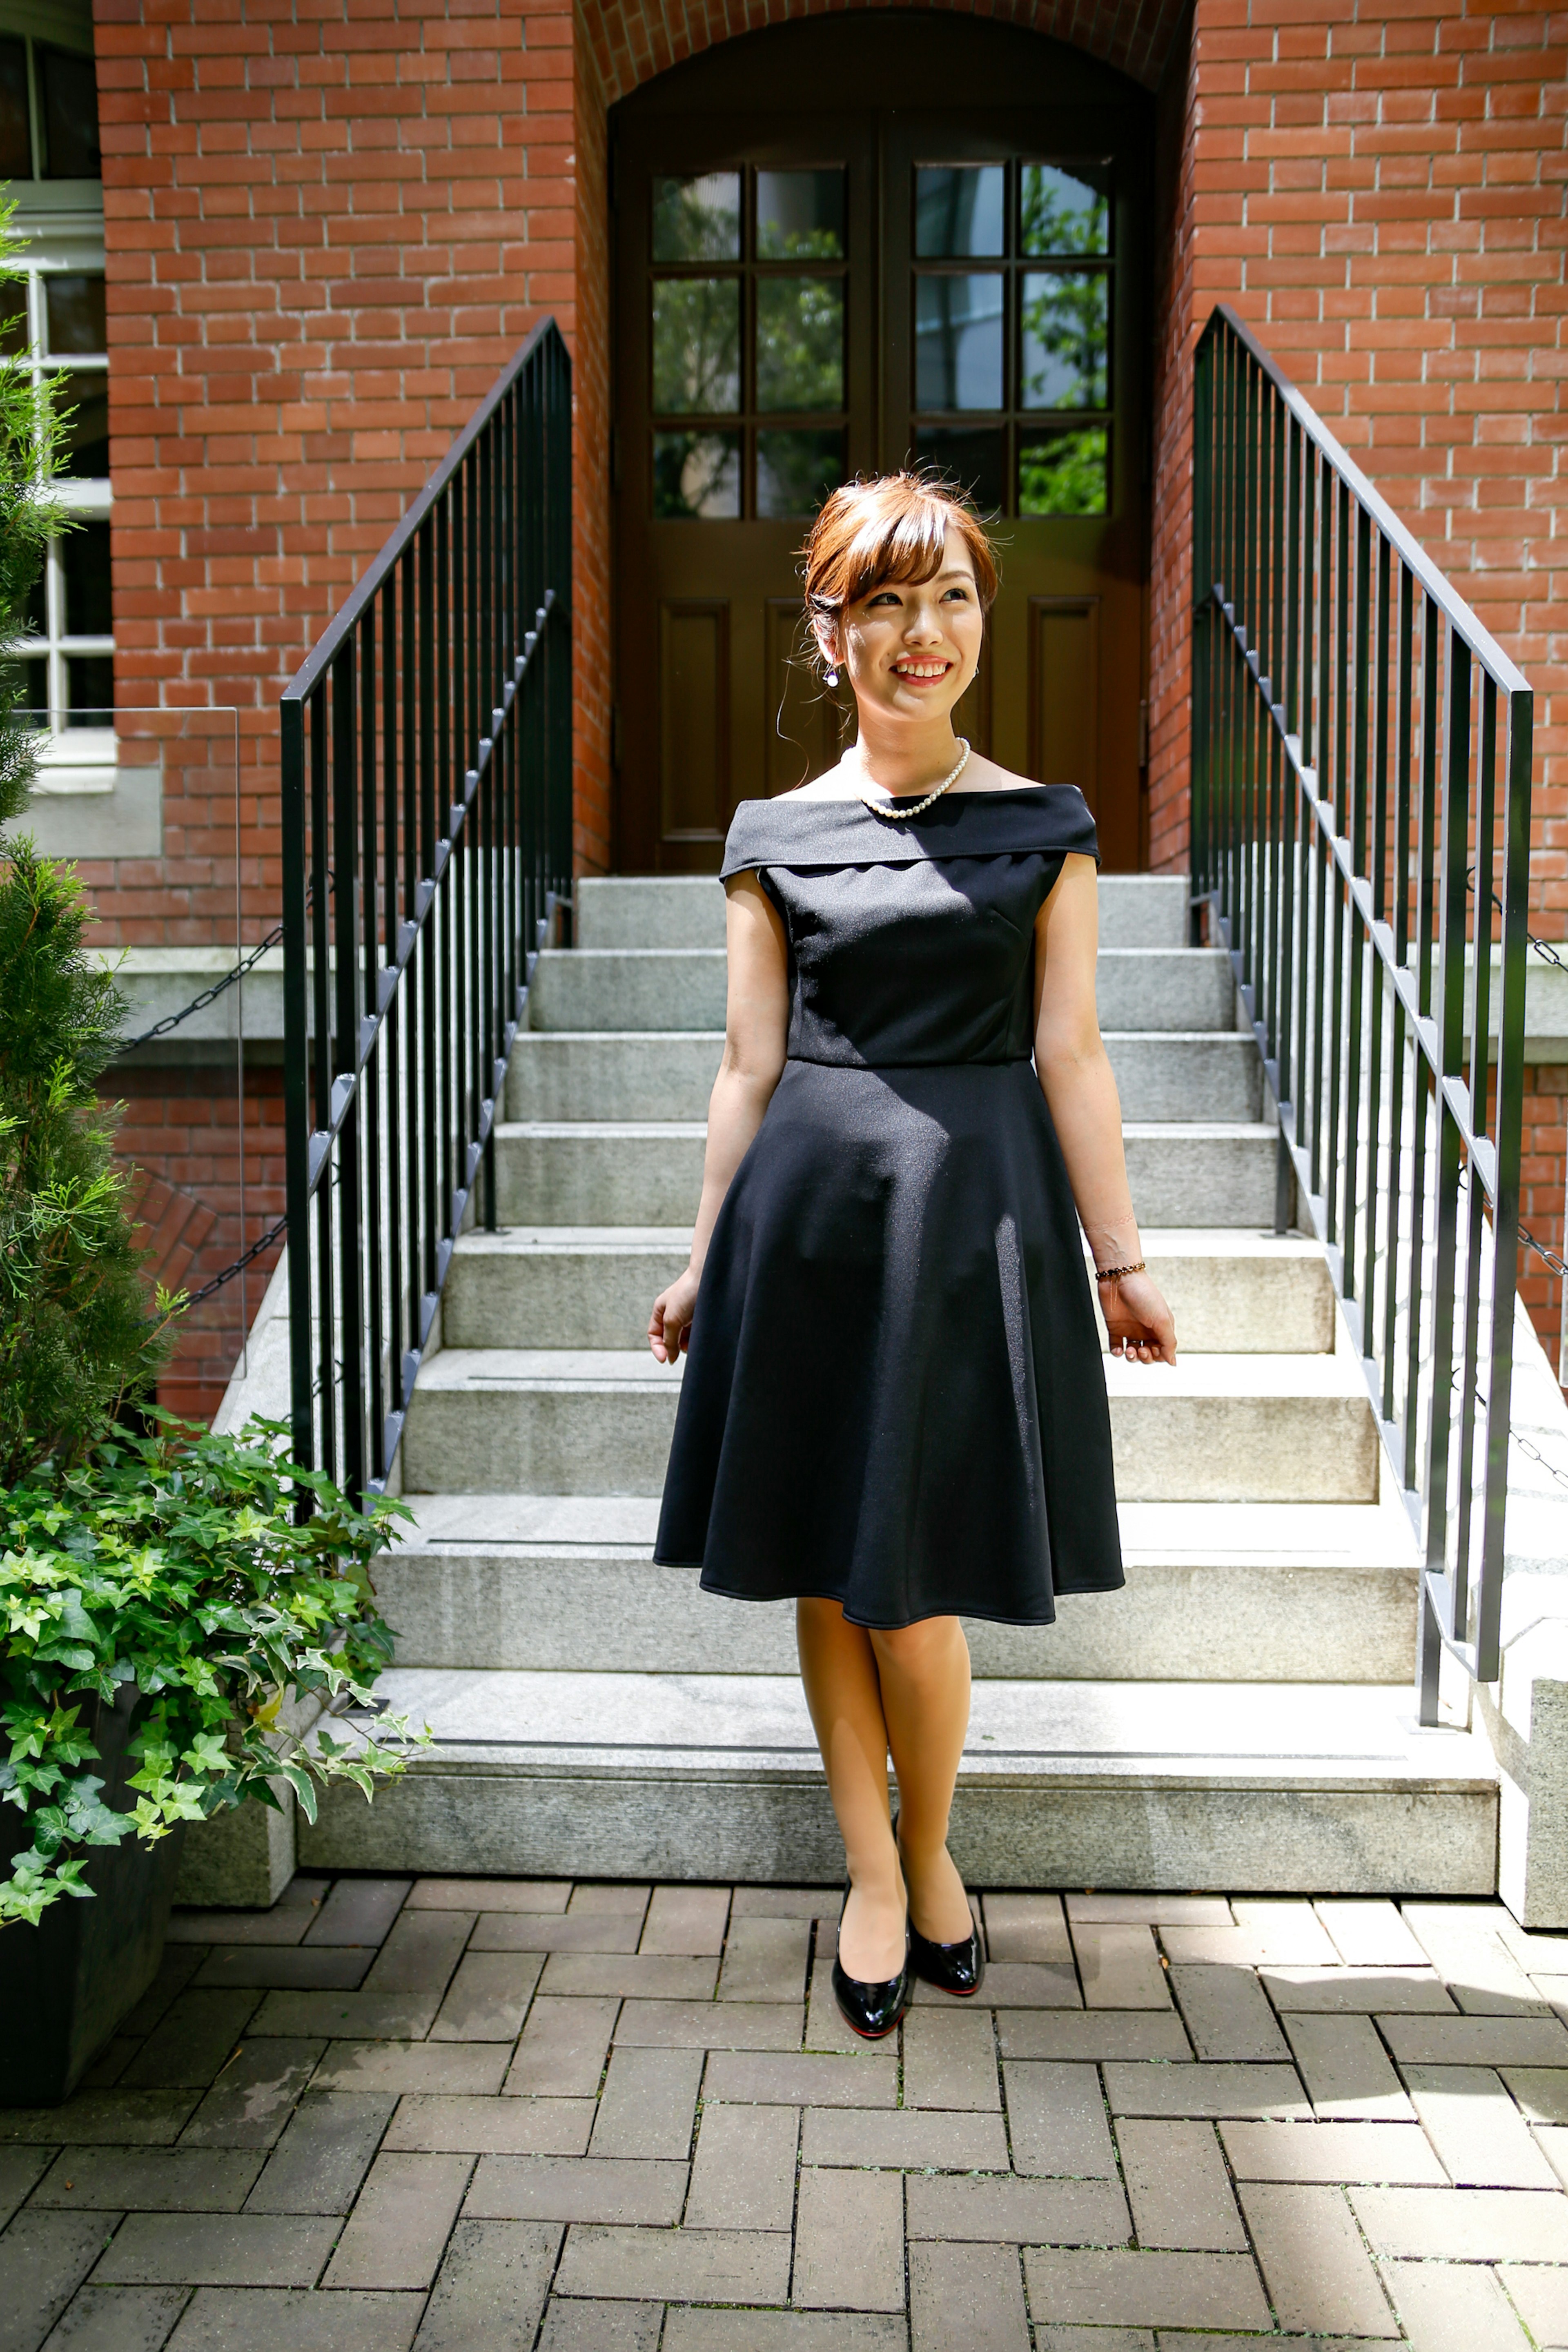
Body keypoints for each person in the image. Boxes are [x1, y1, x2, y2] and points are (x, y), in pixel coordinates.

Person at [648, 471, 1176, 2038]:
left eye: (946, 597)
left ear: (981, 619)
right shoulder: (773, 839)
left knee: (919, 1582)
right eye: (880, 603)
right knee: (831, 1558)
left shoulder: (1047, 828)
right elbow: (747, 1066)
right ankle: (874, 1875)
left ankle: (932, 1853)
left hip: (974, 1229)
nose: (918, 632)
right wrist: (700, 1257)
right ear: (830, 633)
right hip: (809, 1227)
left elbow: (1072, 1054)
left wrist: (1120, 1258)